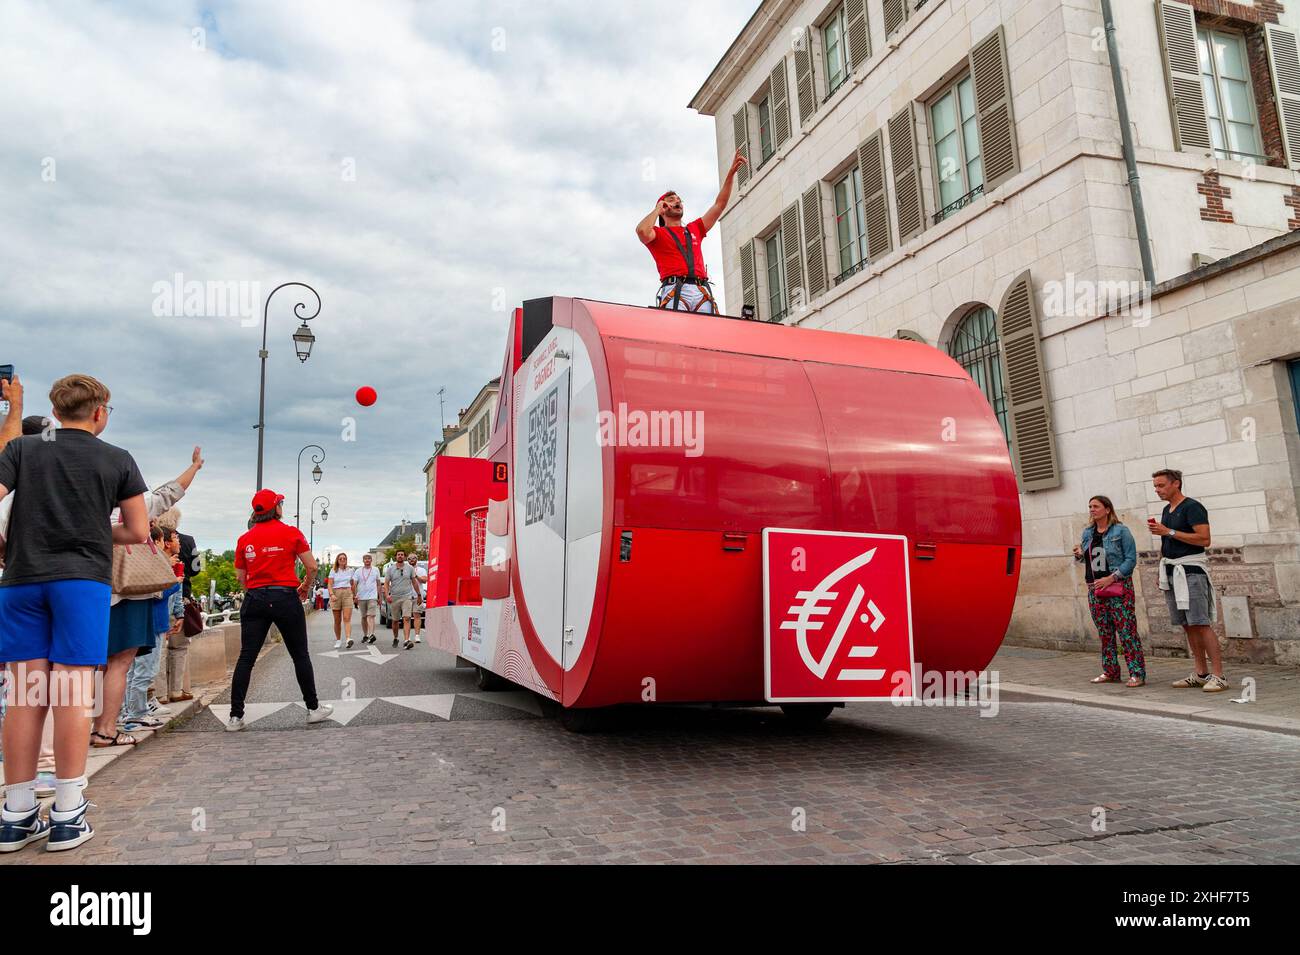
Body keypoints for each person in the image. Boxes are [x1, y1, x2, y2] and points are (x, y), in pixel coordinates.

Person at [0, 374, 150, 852]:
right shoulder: (117, 460)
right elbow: (138, 530)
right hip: (81, 582)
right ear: (100, 412)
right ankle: (67, 812)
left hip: (22, 581)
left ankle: (17, 812)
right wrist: (94, 530)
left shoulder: (23, 450)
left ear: (57, 410)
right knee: (70, 693)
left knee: (24, 695)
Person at [92, 446, 203, 749]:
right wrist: (194, 467)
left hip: (91, 588)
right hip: (126, 591)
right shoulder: (135, 507)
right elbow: (169, 494)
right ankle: (105, 729)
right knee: (120, 662)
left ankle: (87, 724)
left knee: (91, 663)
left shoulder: (89, 505)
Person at [227, 490, 332, 731]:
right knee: (299, 655)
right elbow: (312, 566)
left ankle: (235, 716)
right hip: (285, 596)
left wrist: (254, 590)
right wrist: (304, 587)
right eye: (281, 503)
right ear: (277, 508)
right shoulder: (291, 533)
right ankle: (313, 708)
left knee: (246, 658)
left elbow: (241, 577)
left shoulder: (245, 539)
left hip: (255, 598)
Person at [636, 148, 746, 314]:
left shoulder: (694, 229)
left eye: (679, 200)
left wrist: (730, 175)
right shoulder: (657, 234)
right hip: (674, 288)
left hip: (700, 289)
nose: (677, 202)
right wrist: (657, 209)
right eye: (671, 200)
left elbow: (719, 205)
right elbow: (642, 232)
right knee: (676, 334)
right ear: (663, 207)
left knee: (706, 337)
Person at [1150, 469, 1226, 692]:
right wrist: (1161, 569)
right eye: (1155, 486)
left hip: (1191, 570)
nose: (1157, 490)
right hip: (1172, 570)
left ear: (1176, 484)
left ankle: (1219, 675)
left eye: (1161, 485)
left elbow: (1204, 538)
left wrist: (1169, 531)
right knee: (1187, 624)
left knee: (1200, 622)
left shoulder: (1192, 507)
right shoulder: (1166, 509)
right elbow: (1167, 541)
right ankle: (1201, 673)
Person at [1073, 495, 1144, 687]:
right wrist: (1080, 555)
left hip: (1118, 587)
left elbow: (1130, 560)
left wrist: (1112, 577)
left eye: (1096, 506)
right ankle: (1110, 671)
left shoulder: (1121, 531)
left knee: (1127, 631)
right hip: (1095, 589)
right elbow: (1088, 559)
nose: (1092, 510)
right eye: (1090, 507)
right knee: (1105, 632)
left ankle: (1137, 673)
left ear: (1107, 509)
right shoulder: (1088, 533)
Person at [383, 550, 422, 650]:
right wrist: (387, 595)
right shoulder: (390, 569)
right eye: (398, 555)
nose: (400, 556)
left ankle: (406, 640)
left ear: (404, 557)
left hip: (407, 597)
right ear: (396, 557)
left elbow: (414, 582)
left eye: (402, 555)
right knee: (395, 621)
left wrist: (419, 595)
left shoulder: (410, 568)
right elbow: (386, 583)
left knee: (406, 618)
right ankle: (396, 638)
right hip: (395, 597)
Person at [328, 553, 357, 650]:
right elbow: (329, 584)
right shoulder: (333, 570)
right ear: (337, 560)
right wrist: (331, 594)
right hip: (336, 593)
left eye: (344, 558)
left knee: (346, 618)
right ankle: (338, 640)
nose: (342, 560)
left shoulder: (351, 570)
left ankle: (348, 639)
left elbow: (353, 584)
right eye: (340, 559)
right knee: (337, 620)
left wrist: (354, 594)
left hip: (347, 593)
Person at [353, 553, 380, 644]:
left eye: (369, 558)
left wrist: (379, 597)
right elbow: (355, 584)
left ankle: (371, 634)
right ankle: (365, 635)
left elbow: (378, 584)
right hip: (361, 597)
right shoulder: (358, 571)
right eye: (365, 558)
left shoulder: (376, 570)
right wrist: (355, 596)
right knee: (364, 617)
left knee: (371, 615)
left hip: (372, 596)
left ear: (371, 560)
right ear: (363, 560)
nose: (367, 560)